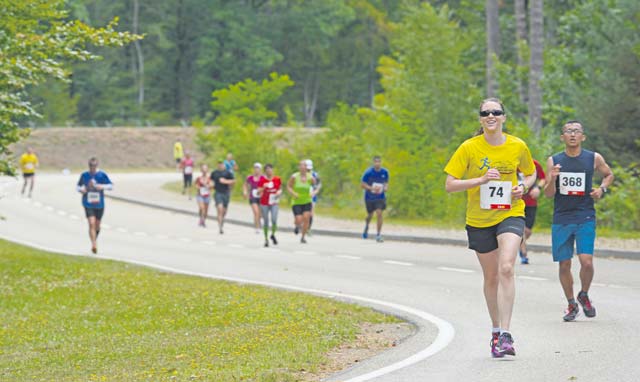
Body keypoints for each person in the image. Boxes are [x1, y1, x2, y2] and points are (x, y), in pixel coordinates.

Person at [444, 98, 536, 358]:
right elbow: (450, 184)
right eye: (486, 113)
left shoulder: (518, 145)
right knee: (492, 276)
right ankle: (496, 331)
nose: (491, 116)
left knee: (507, 266)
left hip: (510, 212)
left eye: (496, 112)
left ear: (504, 117)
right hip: (479, 219)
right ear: (481, 119)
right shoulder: (469, 148)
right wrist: (481, 179)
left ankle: (506, 334)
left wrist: (524, 187)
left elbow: (530, 173)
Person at [543, 120, 614, 322]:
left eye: (576, 131)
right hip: (562, 218)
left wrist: (601, 189)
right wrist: (553, 178)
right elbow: (548, 194)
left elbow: (609, 174)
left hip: (585, 216)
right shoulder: (554, 160)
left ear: (583, 137)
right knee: (564, 264)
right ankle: (571, 303)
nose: (572, 134)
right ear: (562, 137)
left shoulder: (593, 158)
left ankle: (584, 293)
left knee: (587, 262)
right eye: (568, 131)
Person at [76, 157, 113, 254]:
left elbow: (111, 186)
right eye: (91, 166)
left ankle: (94, 239)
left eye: (94, 166)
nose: (92, 167)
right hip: (88, 203)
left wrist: (102, 186)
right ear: (89, 166)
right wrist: (81, 190)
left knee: (97, 225)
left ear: (97, 166)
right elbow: (78, 186)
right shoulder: (84, 175)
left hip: (99, 204)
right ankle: (94, 244)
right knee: (91, 223)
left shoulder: (101, 175)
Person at [519, 159, 546, 264]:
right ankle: (523, 253)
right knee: (520, 228)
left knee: (527, 231)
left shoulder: (534, 164)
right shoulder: (511, 163)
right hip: (515, 202)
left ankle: (520, 244)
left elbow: (543, 178)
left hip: (531, 202)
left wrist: (538, 188)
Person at [361, 156, 389, 243]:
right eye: (376, 162)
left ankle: (378, 234)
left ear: (381, 162)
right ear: (373, 163)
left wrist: (385, 187)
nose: (377, 163)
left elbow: (386, 183)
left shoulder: (385, 172)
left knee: (379, 213)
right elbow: (362, 185)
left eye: (379, 162)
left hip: (380, 197)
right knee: (370, 215)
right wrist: (371, 188)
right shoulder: (368, 172)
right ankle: (367, 225)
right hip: (370, 197)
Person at [287, 160, 316, 244]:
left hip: (307, 200)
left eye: (304, 166)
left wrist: (313, 192)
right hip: (296, 201)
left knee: (306, 218)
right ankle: (297, 225)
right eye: (301, 166)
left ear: (306, 168)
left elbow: (316, 186)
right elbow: (289, 186)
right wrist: (293, 193)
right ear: (299, 167)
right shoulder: (294, 177)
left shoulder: (310, 177)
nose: (303, 168)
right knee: (299, 219)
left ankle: (303, 237)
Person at [257, 164, 282, 247]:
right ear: (265, 171)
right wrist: (263, 187)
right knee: (266, 221)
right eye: (267, 170)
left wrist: (279, 192)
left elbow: (280, 189)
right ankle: (266, 239)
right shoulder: (262, 180)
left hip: (274, 202)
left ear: (272, 170)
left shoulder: (277, 179)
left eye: (270, 169)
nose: (269, 171)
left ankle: (273, 234)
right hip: (264, 203)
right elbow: (258, 191)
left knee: (274, 219)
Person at [211, 160, 235, 234]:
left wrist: (226, 181)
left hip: (226, 193)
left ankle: (222, 220)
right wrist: (210, 185)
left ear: (224, 165)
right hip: (218, 193)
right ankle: (220, 227)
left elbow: (233, 181)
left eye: (221, 164)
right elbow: (211, 180)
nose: (220, 165)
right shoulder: (214, 173)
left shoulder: (228, 173)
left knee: (224, 211)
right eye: (219, 164)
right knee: (220, 209)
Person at [243, 163, 265, 233]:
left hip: (261, 197)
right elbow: (245, 185)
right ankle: (257, 227)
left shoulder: (263, 178)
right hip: (253, 197)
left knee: (261, 214)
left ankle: (259, 221)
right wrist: (245, 192)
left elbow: (267, 186)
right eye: (255, 168)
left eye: (258, 168)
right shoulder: (250, 177)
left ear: (260, 170)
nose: (256, 170)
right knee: (256, 212)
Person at [305, 159, 321, 233]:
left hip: (312, 195)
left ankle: (308, 228)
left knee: (311, 212)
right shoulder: (300, 174)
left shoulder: (315, 175)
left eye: (309, 169)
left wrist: (315, 192)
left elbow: (319, 185)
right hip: (302, 195)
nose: (308, 170)